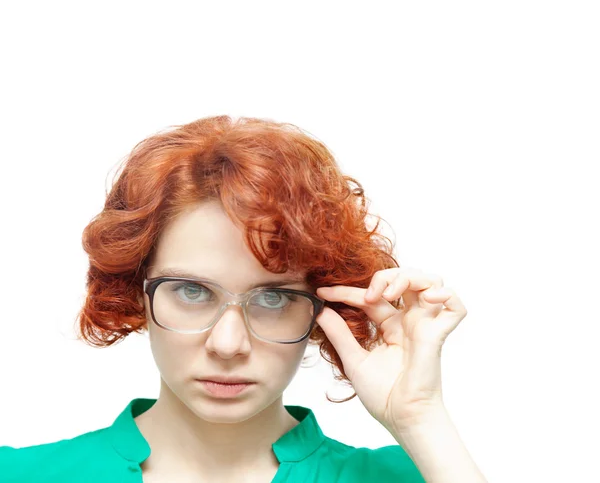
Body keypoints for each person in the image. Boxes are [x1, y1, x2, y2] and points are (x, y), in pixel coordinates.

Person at [0, 115, 487, 482]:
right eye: (192, 291)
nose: (228, 344)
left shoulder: (414, 473)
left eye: (273, 299)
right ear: (136, 291)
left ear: (323, 310)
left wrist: (421, 417)